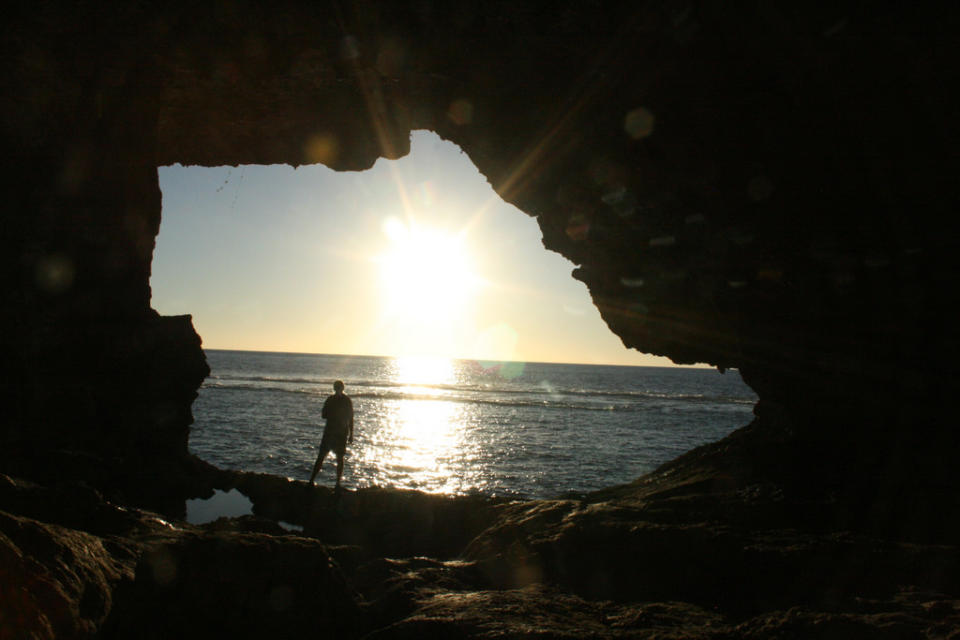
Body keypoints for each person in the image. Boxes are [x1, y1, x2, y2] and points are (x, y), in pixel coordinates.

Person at [308, 380, 354, 488]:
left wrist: (351, 434)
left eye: (338, 388)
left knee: (335, 458)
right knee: (326, 457)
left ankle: (335, 482)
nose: (338, 390)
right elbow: (324, 415)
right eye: (337, 388)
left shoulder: (341, 400)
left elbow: (350, 418)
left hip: (337, 432)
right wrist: (351, 433)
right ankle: (314, 481)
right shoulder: (342, 400)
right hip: (334, 432)